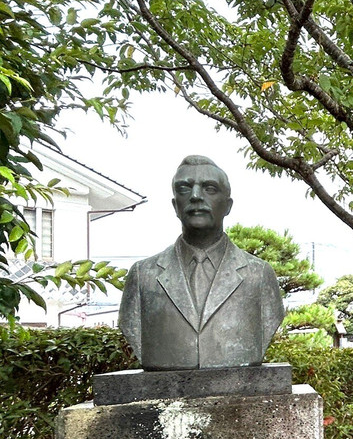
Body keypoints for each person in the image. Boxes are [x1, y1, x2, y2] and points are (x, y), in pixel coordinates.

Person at [119, 155, 284, 370]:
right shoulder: (143, 275)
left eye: (210, 188)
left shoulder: (259, 274)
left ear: (228, 205)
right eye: (184, 189)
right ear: (174, 205)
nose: (196, 196)